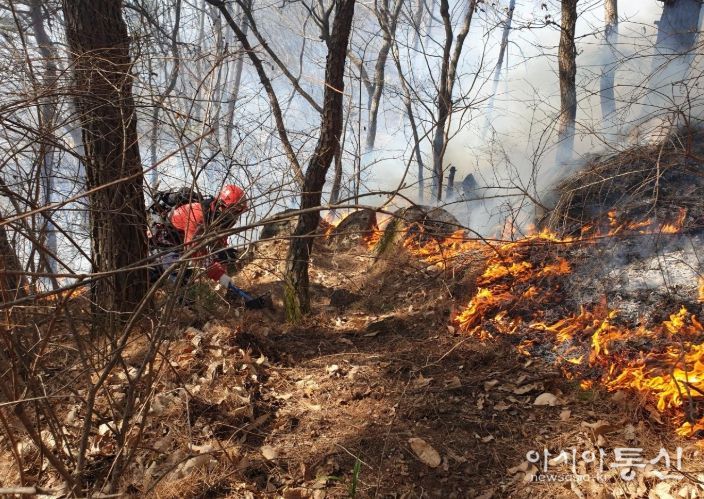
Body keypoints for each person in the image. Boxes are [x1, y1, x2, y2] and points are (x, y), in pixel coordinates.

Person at [151, 185, 268, 309]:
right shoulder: (198, 214)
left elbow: (220, 246)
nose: (236, 216)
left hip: (180, 243)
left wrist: (225, 277)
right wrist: (219, 275)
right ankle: (184, 313)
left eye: (239, 212)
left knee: (225, 255)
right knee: (179, 275)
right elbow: (194, 251)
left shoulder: (219, 220)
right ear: (222, 206)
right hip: (163, 242)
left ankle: (231, 295)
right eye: (234, 211)